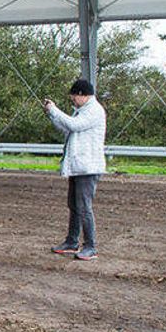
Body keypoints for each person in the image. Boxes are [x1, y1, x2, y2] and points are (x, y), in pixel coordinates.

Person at [44, 79, 107, 261]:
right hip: (79, 167)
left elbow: (73, 125)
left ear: (82, 95)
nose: (72, 99)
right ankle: (72, 241)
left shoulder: (94, 111)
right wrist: (51, 115)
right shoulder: (82, 110)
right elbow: (67, 129)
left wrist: (55, 110)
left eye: (73, 96)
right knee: (74, 205)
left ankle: (91, 246)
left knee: (84, 208)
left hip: (88, 168)